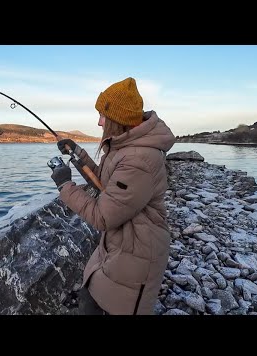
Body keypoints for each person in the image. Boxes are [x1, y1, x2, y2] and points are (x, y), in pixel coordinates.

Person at [50, 77, 176, 315]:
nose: (99, 122)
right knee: (89, 299)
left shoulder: (138, 159)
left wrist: (65, 185)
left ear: (118, 118)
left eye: (103, 115)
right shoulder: (126, 148)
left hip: (136, 252)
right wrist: (78, 154)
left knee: (94, 305)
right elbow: (108, 186)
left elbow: (103, 217)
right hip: (121, 244)